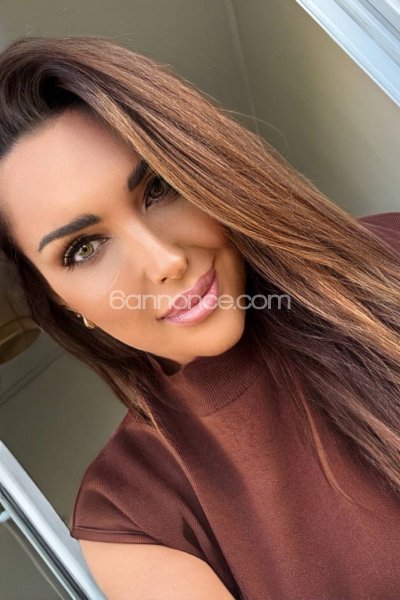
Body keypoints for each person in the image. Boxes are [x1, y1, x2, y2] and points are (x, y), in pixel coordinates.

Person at [0, 36, 399, 600]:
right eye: (83, 249)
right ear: (59, 299)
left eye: (158, 188)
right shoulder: (133, 516)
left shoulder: (387, 256)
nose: (165, 261)